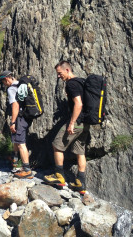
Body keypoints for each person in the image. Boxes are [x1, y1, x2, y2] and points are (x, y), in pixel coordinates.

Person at [44, 61, 89, 194]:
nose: (59, 76)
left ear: (68, 70)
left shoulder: (71, 84)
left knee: (57, 145)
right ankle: (80, 183)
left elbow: (78, 104)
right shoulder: (82, 81)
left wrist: (72, 123)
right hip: (86, 123)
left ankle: (59, 176)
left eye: (60, 73)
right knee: (80, 152)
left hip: (77, 122)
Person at [0, 70, 33, 179]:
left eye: (3, 82)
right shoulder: (20, 84)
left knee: (20, 143)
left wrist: (13, 122)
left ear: (7, 79)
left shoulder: (11, 89)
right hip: (27, 115)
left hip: (20, 117)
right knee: (16, 137)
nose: (4, 84)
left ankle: (27, 170)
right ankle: (14, 158)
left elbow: (15, 106)